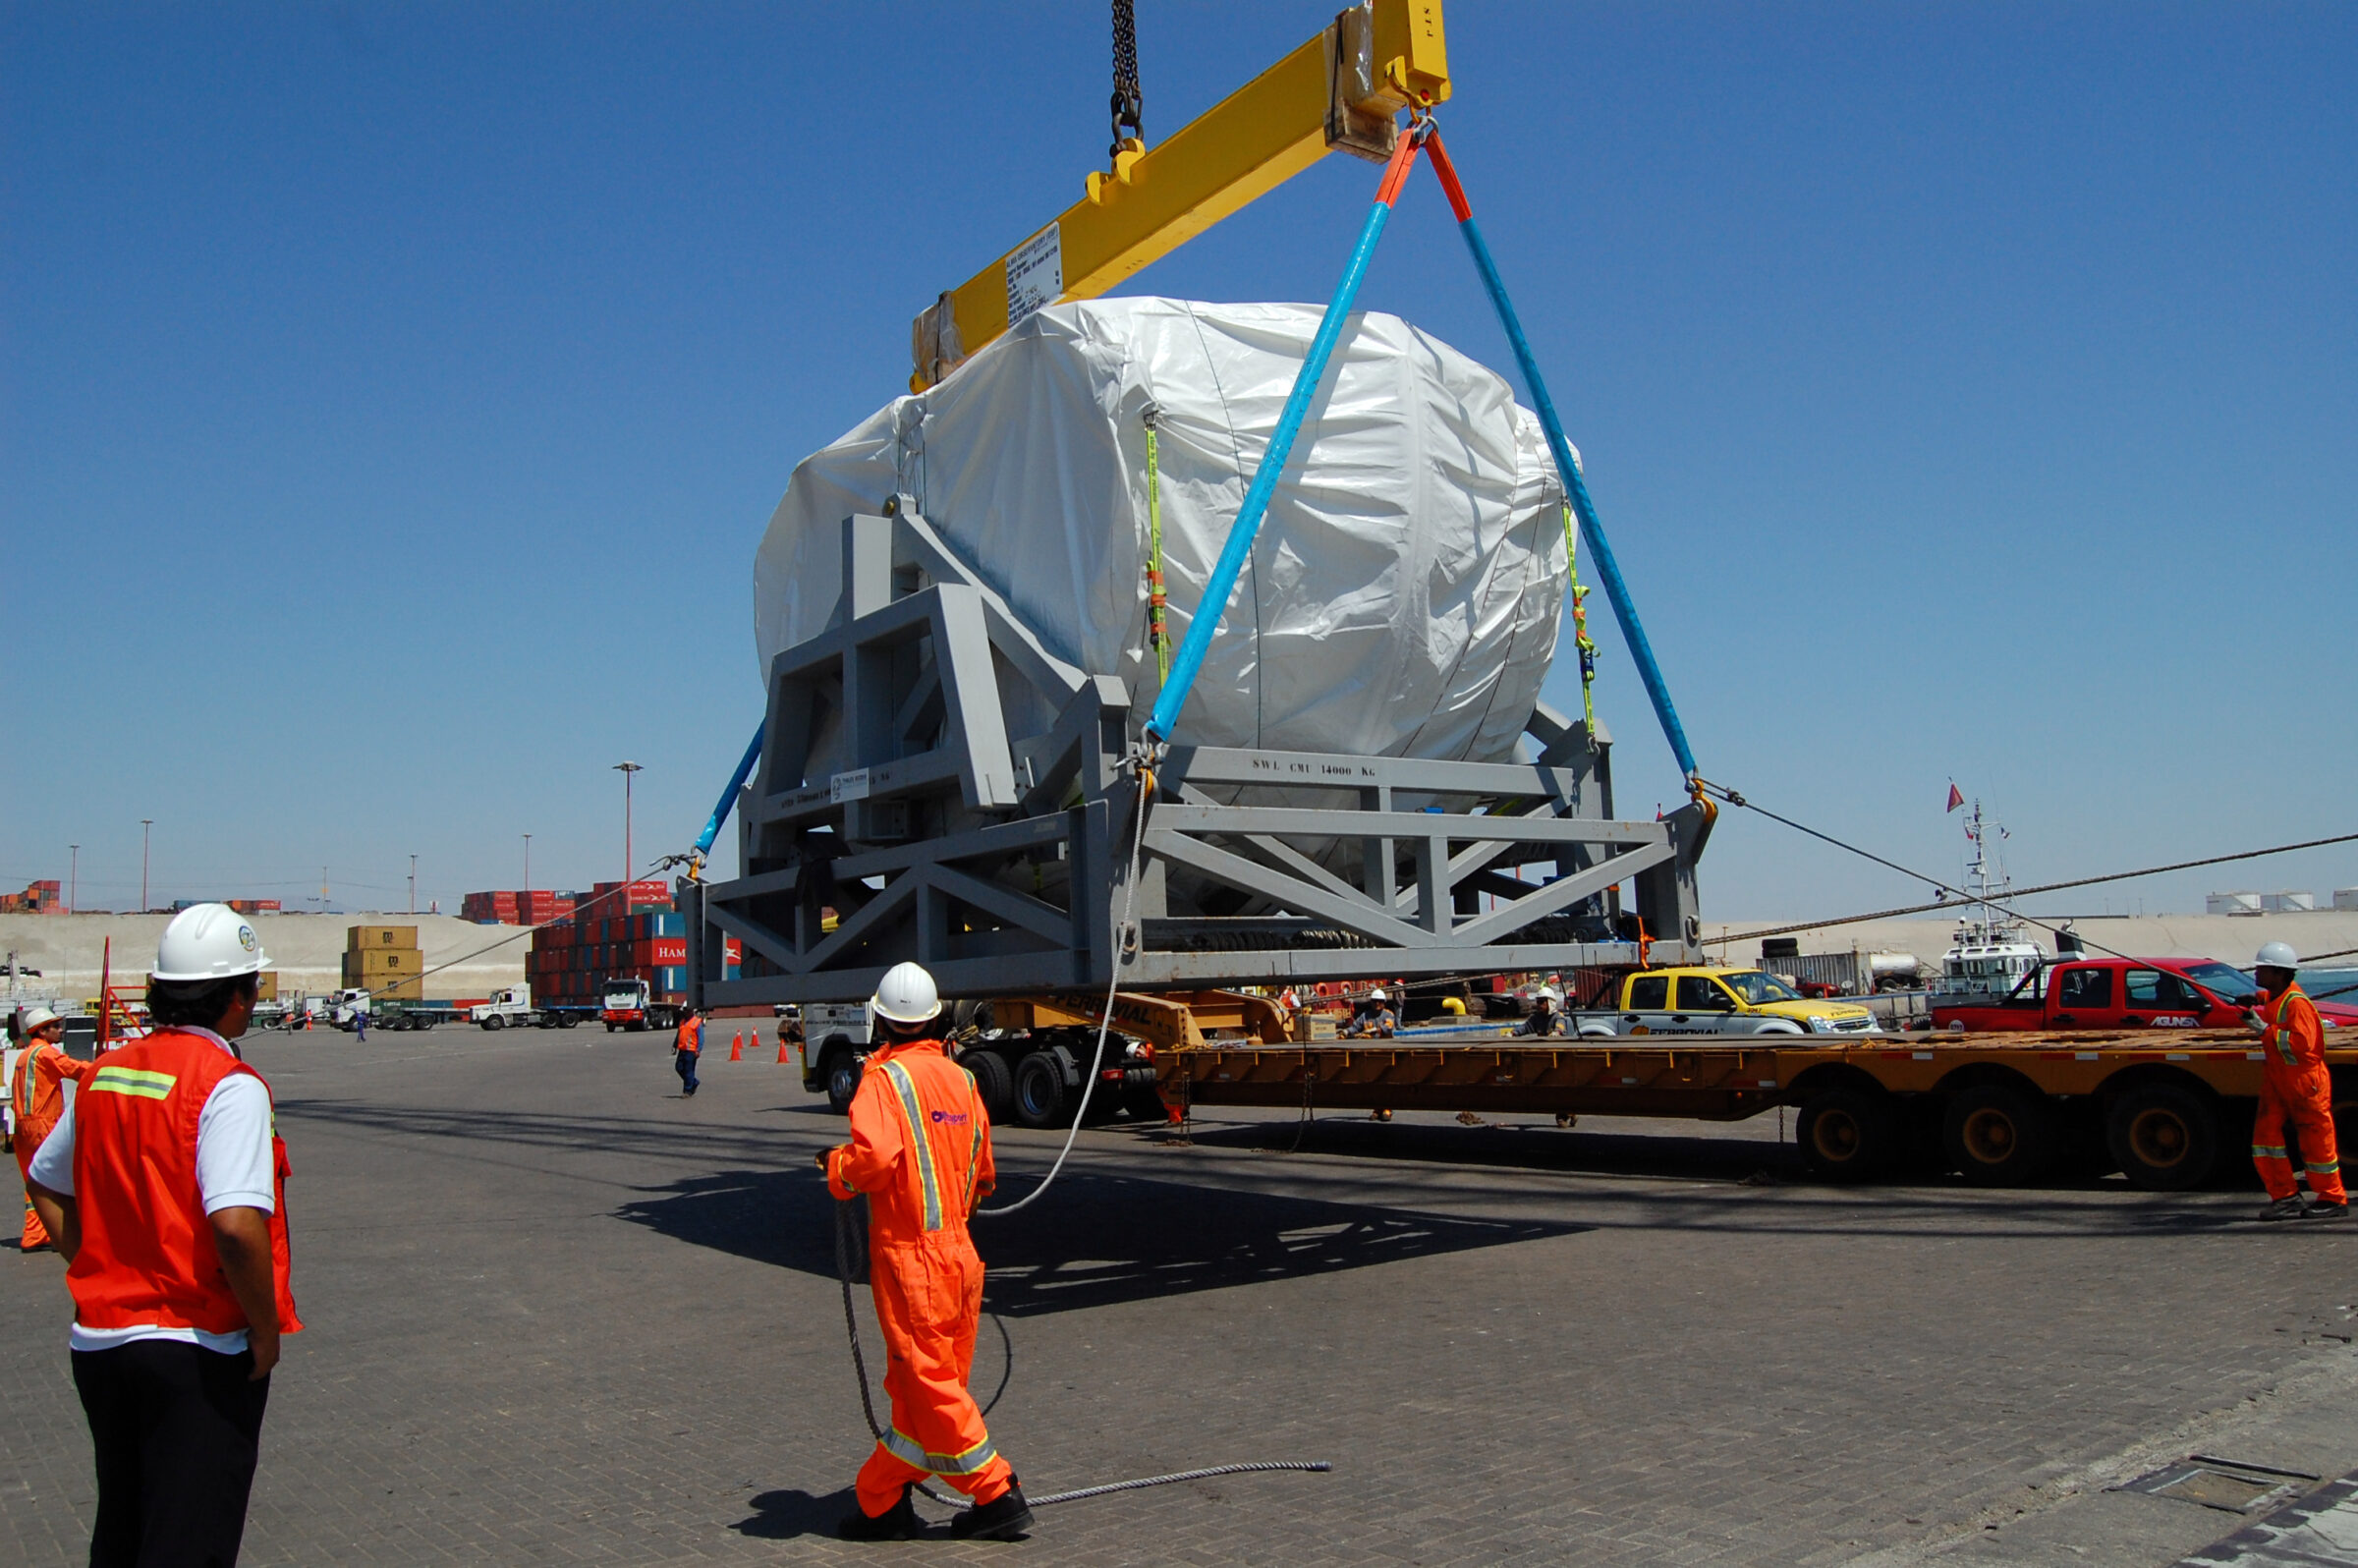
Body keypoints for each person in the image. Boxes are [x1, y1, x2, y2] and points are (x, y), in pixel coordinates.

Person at [25, 903, 302, 1565]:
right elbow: (235, 1225)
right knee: (189, 1541)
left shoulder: (106, 1073)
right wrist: (264, 1329)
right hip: (197, 1348)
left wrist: (91, 1260)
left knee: (124, 1530)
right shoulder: (228, 1086)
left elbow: (44, 1180)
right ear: (237, 999)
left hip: (101, 1344)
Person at [822, 961, 1030, 1541]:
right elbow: (983, 1172)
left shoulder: (883, 1080)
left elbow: (874, 1158)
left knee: (932, 1390)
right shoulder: (962, 1080)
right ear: (936, 1018)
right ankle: (882, 1501)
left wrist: (837, 1169)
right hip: (960, 1257)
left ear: (881, 1021)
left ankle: (997, 1492)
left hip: (912, 1260)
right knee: (920, 1392)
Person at [2247, 941, 2345, 1221]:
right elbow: (2273, 1001)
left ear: (2279, 973)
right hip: (2279, 1079)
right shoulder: (2278, 995)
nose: (2256, 972)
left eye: (2262, 969)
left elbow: (2302, 1045)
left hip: (2304, 1082)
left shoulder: (2297, 1004)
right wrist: (2255, 998)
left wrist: (2263, 1030)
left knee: (2316, 1142)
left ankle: (2333, 1198)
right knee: (2265, 1139)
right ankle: (2285, 1196)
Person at [14, 1004, 96, 1252]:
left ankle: (35, 1235)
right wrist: (107, 1067)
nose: (60, 1030)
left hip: (23, 1127)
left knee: (36, 1181)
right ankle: (69, 1231)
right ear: (42, 1031)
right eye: (56, 1027)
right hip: (42, 1124)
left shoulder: (24, 1056)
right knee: (65, 1178)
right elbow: (77, 1070)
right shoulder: (45, 1054)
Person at [674, 1008, 703, 1096]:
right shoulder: (682, 1021)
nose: (686, 1012)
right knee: (679, 1067)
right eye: (685, 1010)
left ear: (692, 1011)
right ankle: (693, 1082)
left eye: (687, 1010)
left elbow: (701, 1037)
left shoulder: (696, 1022)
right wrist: (675, 1045)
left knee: (689, 1070)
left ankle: (687, 1091)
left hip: (691, 1050)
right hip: (682, 1049)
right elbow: (679, 1034)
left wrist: (698, 1049)